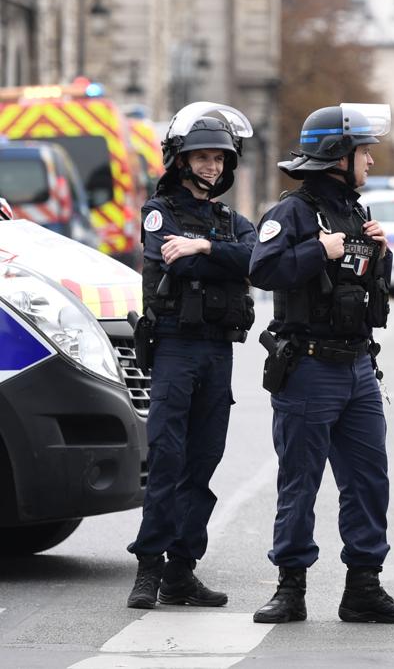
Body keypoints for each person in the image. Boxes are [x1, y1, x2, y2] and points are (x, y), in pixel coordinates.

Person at [248, 103, 394, 625]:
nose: (370, 160)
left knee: (369, 480)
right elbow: (263, 269)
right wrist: (316, 252)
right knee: (299, 481)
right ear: (336, 156)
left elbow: (365, 287)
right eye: (362, 151)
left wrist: (381, 253)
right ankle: (290, 587)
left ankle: (363, 587)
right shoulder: (292, 214)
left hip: (358, 369)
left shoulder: (356, 213)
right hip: (309, 367)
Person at [125, 102, 257, 610]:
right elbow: (167, 262)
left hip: (217, 351)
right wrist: (221, 259)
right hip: (176, 347)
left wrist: (203, 250)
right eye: (201, 157)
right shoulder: (161, 212)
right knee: (167, 460)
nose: (211, 166)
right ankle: (148, 569)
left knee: (202, 463)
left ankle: (181, 571)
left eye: (219, 159)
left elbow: (259, 260)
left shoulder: (230, 219)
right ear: (180, 160)